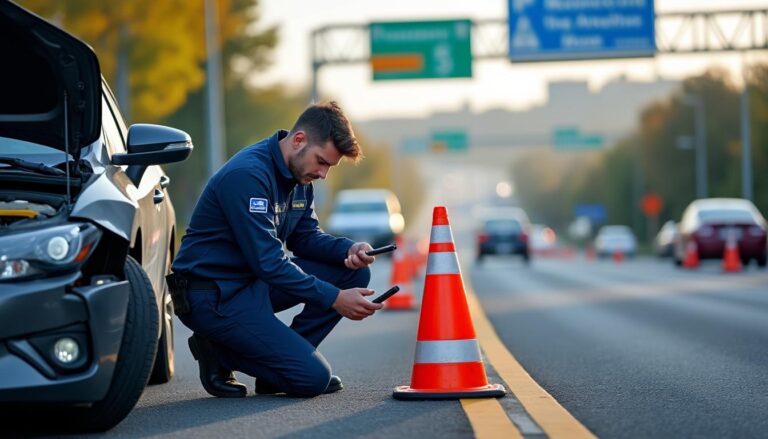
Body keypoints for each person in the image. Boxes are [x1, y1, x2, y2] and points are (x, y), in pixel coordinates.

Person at [169, 101, 383, 398]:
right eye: (322, 162)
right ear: (298, 140)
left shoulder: (300, 175)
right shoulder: (248, 175)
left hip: (252, 284)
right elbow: (269, 263)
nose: (323, 174)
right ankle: (217, 351)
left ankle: (280, 372)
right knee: (313, 379)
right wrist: (334, 299)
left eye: (329, 167)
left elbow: (305, 238)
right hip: (213, 296)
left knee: (353, 274)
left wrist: (350, 249)